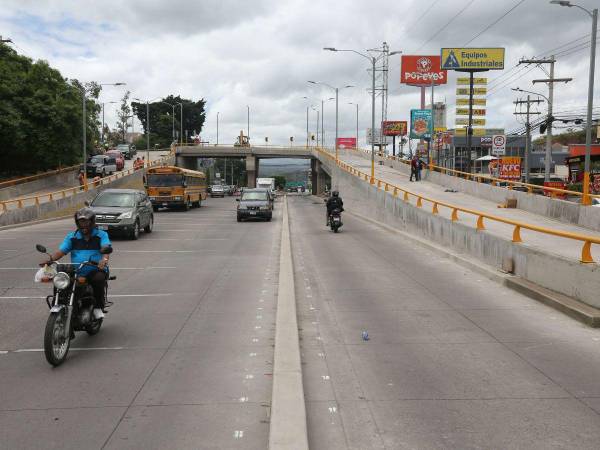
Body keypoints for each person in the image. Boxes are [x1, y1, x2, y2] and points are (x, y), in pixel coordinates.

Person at [40, 208, 112, 320]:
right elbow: (61, 251)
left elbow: (106, 247)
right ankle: (57, 304)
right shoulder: (72, 237)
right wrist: (50, 260)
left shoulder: (101, 235)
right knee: (60, 279)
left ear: (92, 222)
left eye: (86, 221)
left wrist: (104, 260)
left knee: (98, 279)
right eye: (81, 222)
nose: (84, 224)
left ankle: (98, 307)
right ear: (77, 223)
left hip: (96, 269)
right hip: (77, 271)